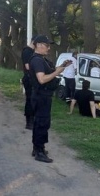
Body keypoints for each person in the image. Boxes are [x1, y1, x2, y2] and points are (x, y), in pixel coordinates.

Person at [29, 35, 72, 163]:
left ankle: (38, 148)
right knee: (42, 123)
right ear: (39, 45)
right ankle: (39, 152)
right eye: (47, 45)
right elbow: (42, 79)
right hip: (41, 96)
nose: (48, 48)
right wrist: (56, 73)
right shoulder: (37, 60)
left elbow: (49, 73)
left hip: (43, 96)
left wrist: (61, 67)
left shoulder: (42, 60)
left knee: (41, 123)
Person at [21, 35, 37, 130]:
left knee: (33, 100)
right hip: (29, 79)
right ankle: (29, 122)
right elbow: (28, 66)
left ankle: (32, 120)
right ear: (34, 42)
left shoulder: (32, 52)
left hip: (32, 79)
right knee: (30, 100)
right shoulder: (27, 51)